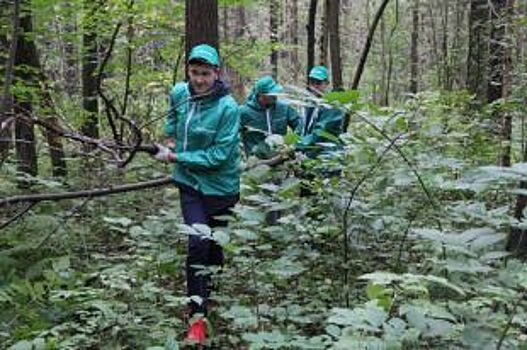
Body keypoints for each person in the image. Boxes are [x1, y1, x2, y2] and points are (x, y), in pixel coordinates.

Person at [153, 43, 240, 344]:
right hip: (190, 183)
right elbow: (173, 121)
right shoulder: (180, 93)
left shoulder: (228, 108)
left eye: (205, 73)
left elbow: (218, 156)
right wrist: (173, 142)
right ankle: (197, 316)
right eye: (194, 73)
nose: (199, 80)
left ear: (217, 73)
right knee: (198, 244)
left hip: (222, 187)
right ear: (187, 72)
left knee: (215, 247)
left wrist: (176, 158)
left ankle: (211, 293)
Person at [240, 75, 299, 159]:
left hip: (282, 159)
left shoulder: (283, 108)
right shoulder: (245, 112)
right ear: (260, 95)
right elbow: (232, 136)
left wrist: (293, 144)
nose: (275, 95)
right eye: (271, 94)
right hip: (256, 163)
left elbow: (300, 125)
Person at [296, 65, 343, 158]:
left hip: (327, 156)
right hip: (309, 154)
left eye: (318, 83)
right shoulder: (308, 104)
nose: (314, 86)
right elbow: (300, 127)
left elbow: (320, 132)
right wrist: (294, 141)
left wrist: (297, 145)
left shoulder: (332, 106)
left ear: (326, 83)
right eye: (312, 82)